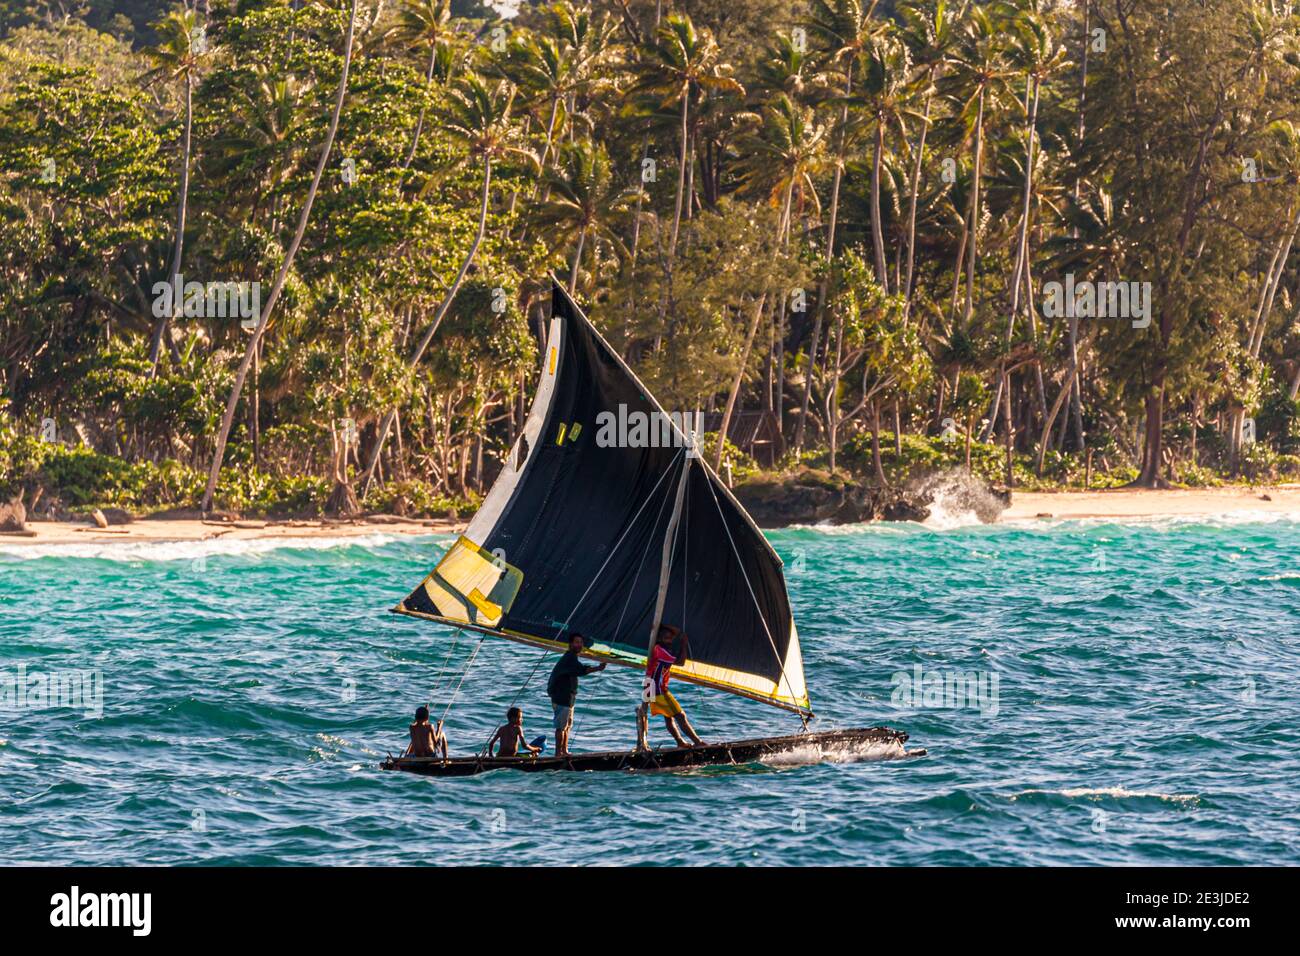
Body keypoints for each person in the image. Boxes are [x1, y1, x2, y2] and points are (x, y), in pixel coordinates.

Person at [637, 624, 703, 750]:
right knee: (680, 716)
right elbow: (680, 662)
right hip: (656, 689)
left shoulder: (662, 648)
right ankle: (697, 741)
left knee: (668, 717)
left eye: (671, 638)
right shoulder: (660, 651)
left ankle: (680, 742)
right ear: (660, 639)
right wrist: (683, 644)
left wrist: (662, 626)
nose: (670, 641)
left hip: (650, 686)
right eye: (667, 638)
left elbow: (677, 632)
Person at [546, 632, 606, 756]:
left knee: (567, 725)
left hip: (569, 697)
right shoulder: (570, 658)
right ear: (570, 644)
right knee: (561, 726)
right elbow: (582, 670)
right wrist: (598, 668)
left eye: (581, 642)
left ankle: (564, 751)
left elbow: (579, 669)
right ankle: (558, 754)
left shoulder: (572, 657)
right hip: (562, 697)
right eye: (576, 642)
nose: (579, 645)